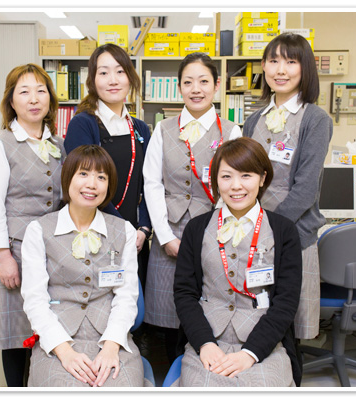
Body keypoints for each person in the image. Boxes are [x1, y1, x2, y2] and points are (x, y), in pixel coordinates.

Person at [174, 137, 302, 387]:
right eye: (226, 176)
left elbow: (286, 301)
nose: (236, 186)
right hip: (209, 340)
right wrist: (204, 343)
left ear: (262, 178)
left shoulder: (284, 230)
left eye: (246, 176)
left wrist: (251, 353)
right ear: (216, 180)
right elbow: (184, 294)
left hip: (264, 342)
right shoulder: (196, 228)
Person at [143, 52, 242, 363]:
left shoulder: (231, 131)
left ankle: (203, 368)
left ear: (216, 85)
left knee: (207, 304)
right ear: (179, 87)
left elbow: (234, 186)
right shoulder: (163, 129)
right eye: (188, 82)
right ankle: (172, 372)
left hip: (214, 232)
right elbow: (152, 184)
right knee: (168, 309)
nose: (196, 89)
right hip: (169, 231)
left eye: (203, 81)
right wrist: (164, 237)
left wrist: (213, 235)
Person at [20, 145, 143, 387]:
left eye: (101, 177)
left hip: (111, 337)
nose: (92, 184)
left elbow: (126, 296)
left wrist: (111, 347)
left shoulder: (124, 231)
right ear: (68, 178)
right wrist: (65, 352)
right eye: (83, 174)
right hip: (58, 339)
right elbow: (35, 301)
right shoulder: (39, 230)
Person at [242, 32, 333, 340]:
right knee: (255, 319)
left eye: (291, 62)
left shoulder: (315, 119)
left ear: (305, 68)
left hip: (293, 234)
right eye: (273, 61)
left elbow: (306, 188)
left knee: (289, 325)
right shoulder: (254, 119)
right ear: (263, 67)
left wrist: (270, 228)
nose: (280, 70)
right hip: (253, 235)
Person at [0, 63, 64, 387]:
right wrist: (3, 257)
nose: (34, 99)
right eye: (24, 91)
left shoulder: (57, 144)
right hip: (14, 252)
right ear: (11, 101)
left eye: (41, 91)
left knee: (46, 329)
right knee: (16, 334)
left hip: (51, 251)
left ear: (50, 99)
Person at [64, 43, 152, 292]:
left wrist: (144, 228)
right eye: (103, 72)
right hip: (95, 234)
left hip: (136, 239)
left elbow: (149, 184)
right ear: (92, 81)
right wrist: (122, 230)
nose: (113, 80)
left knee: (134, 308)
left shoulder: (140, 128)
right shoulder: (83, 124)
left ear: (130, 77)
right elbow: (84, 186)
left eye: (120, 71)